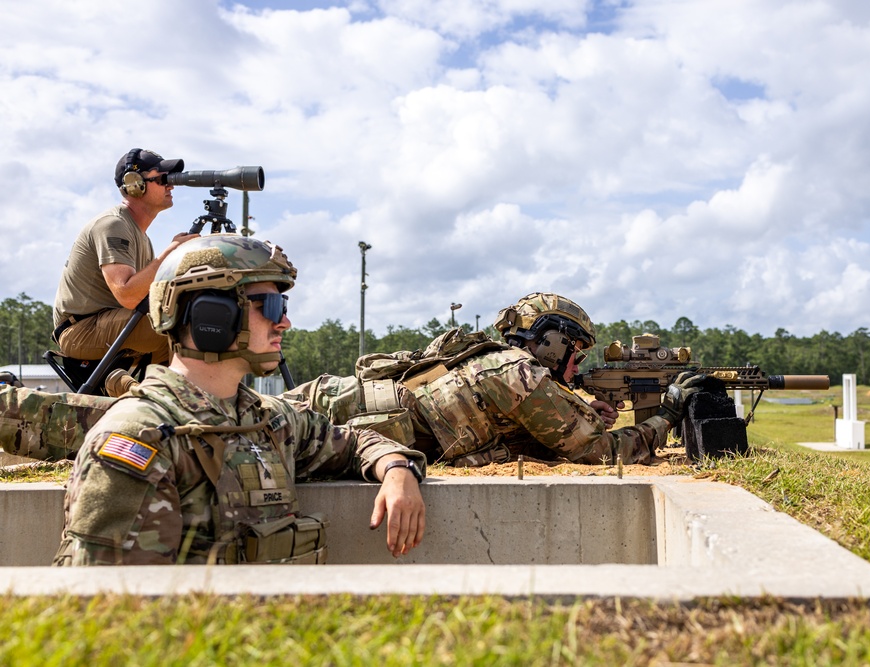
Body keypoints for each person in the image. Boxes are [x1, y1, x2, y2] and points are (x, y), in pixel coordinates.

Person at [52, 234, 427, 566]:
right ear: (211, 315)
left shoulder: (268, 420)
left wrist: (397, 471)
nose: (284, 323)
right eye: (270, 307)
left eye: (284, 307)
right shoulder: (140, 437)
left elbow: (354, 441)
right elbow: (104, 614)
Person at [298, 292, 709, 467]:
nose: (577, 365)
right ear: (552, 343)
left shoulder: (505, 363)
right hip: (330, 412)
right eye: (577, 352)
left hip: (340, 404)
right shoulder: (520, 374)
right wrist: (665, 419)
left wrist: (579, 411)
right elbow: (599, 452)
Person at [52, 148, 200, 365]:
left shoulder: (141, 237)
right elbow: (128, 295)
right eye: (162, 179)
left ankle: (156, 394)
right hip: (80, 331)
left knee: (191, 315)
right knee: (178, 321)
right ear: (134, 184)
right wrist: (171, 254)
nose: (171, 185)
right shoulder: (113, 225)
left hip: (108, 323)